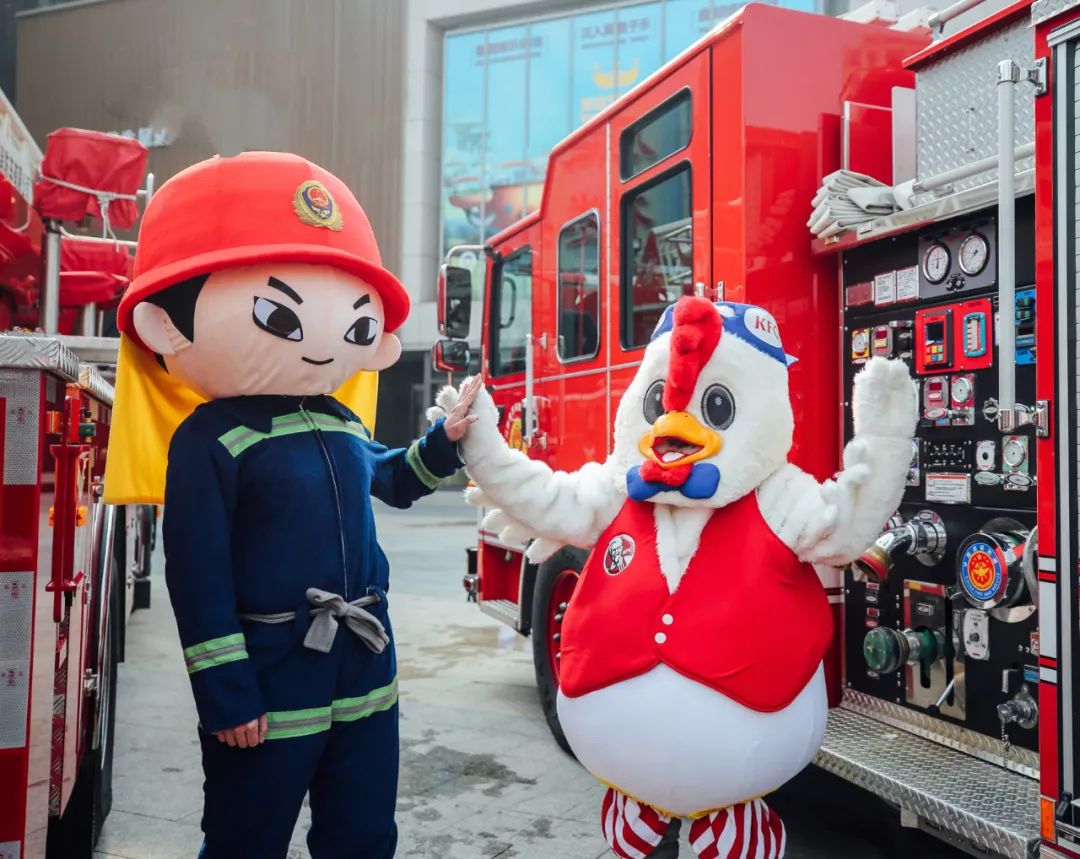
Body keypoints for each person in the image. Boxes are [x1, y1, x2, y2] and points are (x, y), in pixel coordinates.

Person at [108, 151, 481, 858]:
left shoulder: (340, 420)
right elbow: (196, 575)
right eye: (280, 312)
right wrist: (227, 693)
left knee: (363, 833)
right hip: (270, 678)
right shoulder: (209, 440)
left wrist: (446, 438)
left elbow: (396, 479)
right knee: (247, 837)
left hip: (366, 668)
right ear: (167, 325)